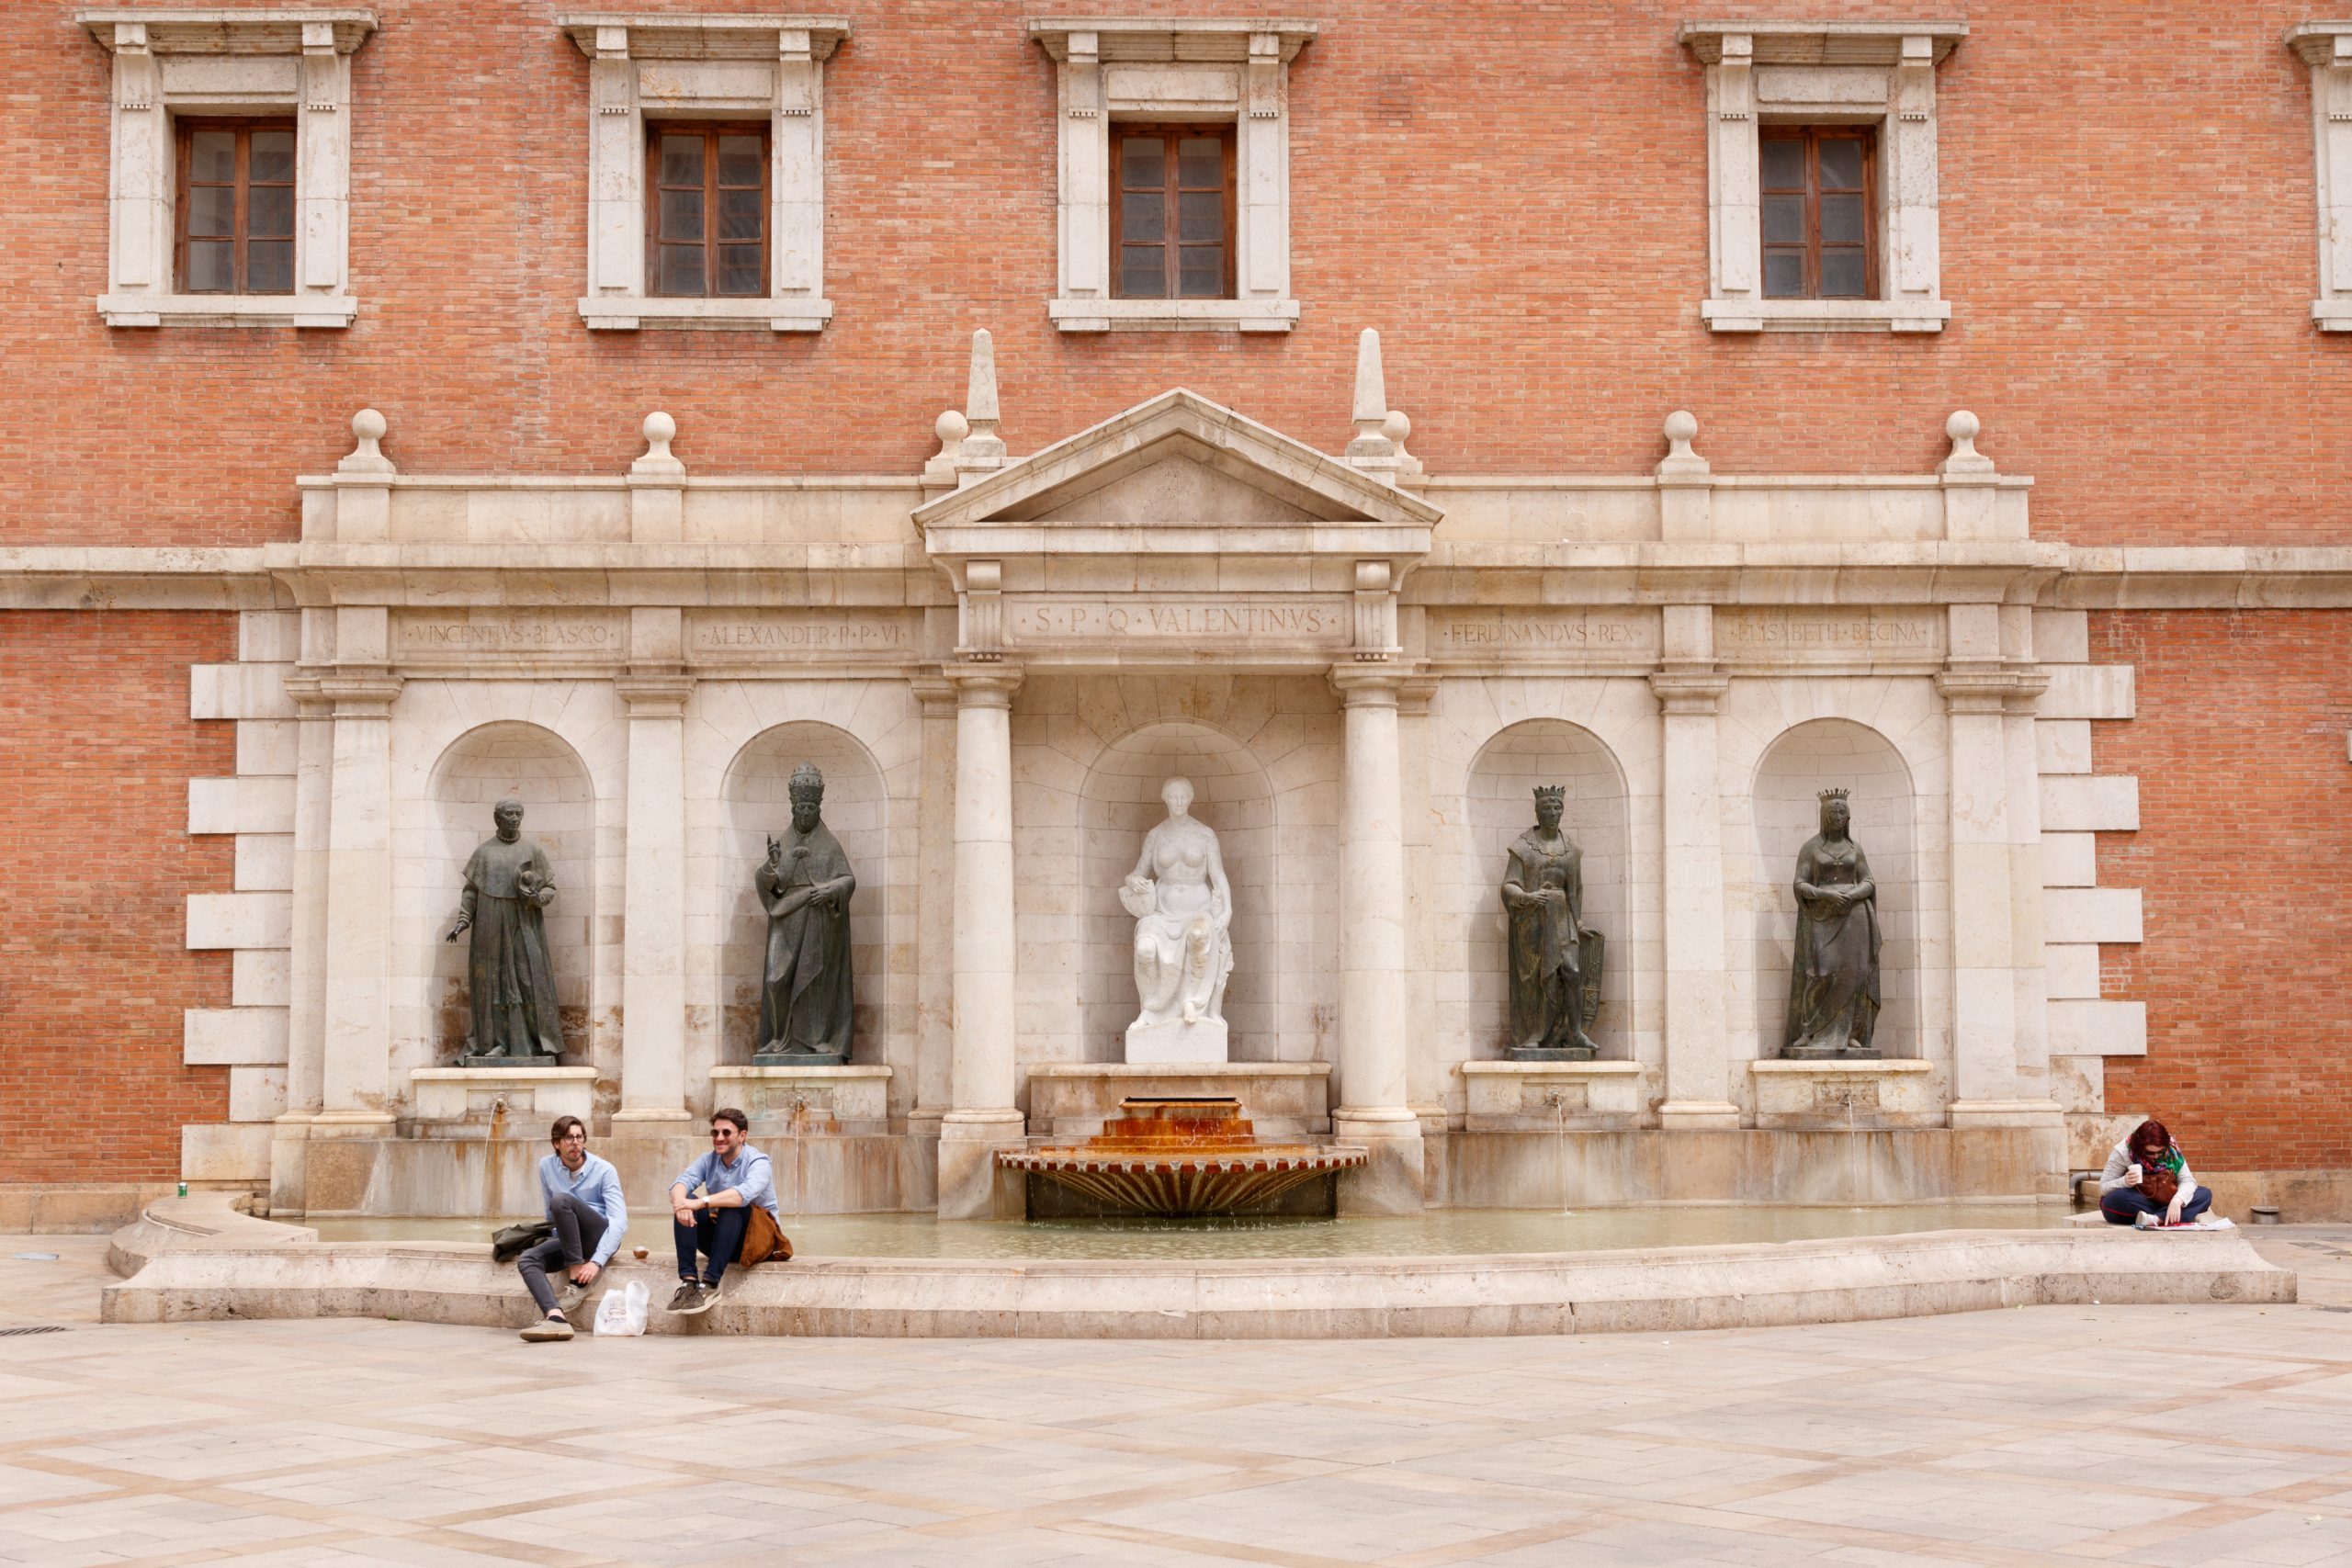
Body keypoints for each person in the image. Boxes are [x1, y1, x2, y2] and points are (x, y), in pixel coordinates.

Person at [517, 1115, 627, 1343]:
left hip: (598, 1235)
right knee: (528, 1259)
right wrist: (555, 1243)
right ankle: (556, 1318)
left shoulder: (604, 1170)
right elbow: (550, 1217)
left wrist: (596, 1261)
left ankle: (577, 1274)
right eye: (569, 1138)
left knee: (561, 1200)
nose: (576, 1142)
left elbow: (618, 1222)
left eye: (579, 1137)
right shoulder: (546, 1166)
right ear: (557, 1143)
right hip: (569, 1239)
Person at [668, 1108, 778, 1314]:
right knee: (686, 1199)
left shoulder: (758, 1162)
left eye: (726, 1133)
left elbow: (741, 1195)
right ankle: (689, 1282)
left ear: (742, 1136)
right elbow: (680, 1183)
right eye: (715, 1133)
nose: (719, 1138)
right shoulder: (708, 1159)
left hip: (757, 1242)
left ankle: (710, 1284)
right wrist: (681, 1202)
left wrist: (700, 1203)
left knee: (732, 1206)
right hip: (723, 1241)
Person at [2098, 1117, 2213, 1227]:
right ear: (2140, 1148)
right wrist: (2124, 1181)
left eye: (2161, 1152)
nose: (2156, 1156)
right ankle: (2171, 1216)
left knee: (2204, 1194)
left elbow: (2188, 1180)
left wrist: (2177, 1201)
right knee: (2112, 1200)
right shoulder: (2123, 1151)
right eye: (2150, 1153)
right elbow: (2103, 1188)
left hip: (2167, 1198)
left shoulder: (2171, 1149)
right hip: (2140, 1200)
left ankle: (2157, 1219)